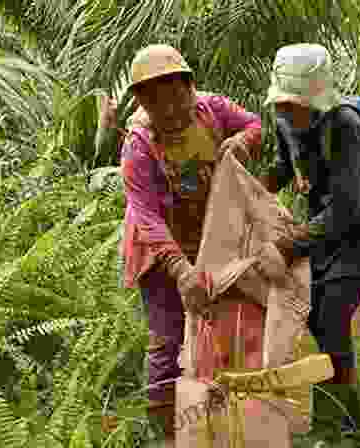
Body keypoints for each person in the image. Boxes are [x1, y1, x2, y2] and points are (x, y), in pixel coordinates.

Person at [111, 44, 263, 441]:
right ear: (143, 101)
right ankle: (165, 430)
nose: (173, 111)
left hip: (206, 237)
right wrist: (181, 271)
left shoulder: (211, 110)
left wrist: (243, 142)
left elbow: (254, 123)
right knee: (167, 335)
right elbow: (146, 217)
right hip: (157, 251)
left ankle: (216, 417)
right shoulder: (139, 144)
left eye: (178, 96)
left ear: (189, 88)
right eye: (159, 102)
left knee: (217, 324)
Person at [262, 43, 360, 445]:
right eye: (282, 103)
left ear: (317, 98)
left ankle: (327, 429)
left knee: (331, 317)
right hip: (323, 232)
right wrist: (245, 192)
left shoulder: (346, 127)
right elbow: (285, 167)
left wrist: (288, 244)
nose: (286, 111)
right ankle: (356, 421)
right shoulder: (285, 120)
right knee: (322, 321)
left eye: (294, 104)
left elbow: (347, 211)